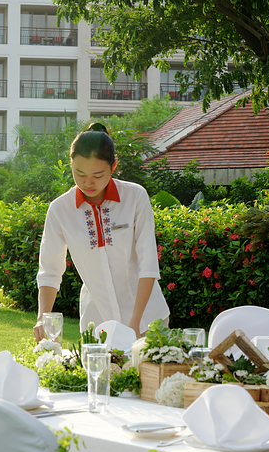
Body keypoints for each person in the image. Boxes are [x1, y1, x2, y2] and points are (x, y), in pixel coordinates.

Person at [33, 123, 169, 342]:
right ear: (71, 165)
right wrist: (41, 318)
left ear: (113, 166)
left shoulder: (135, 198)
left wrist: (135, 323)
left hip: (147, 321)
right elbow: (50, 270)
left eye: (98, 175)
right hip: (97, 324)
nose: (88, 183)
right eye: (80, 174)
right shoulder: (60, 210)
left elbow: (148, 264)